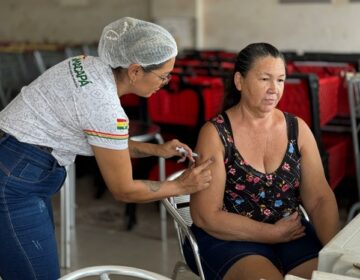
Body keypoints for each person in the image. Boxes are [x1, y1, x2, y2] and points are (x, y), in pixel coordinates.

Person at [0, 17, 213, 280]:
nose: (166, 82)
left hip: (11, 154)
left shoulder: (84, 64)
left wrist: (158, 151)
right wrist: (182, 187)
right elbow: (124, 189)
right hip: (16, 181)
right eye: (163, 75)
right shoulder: (105, 108)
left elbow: (109, 145)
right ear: (135, 71)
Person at [183, 43, 339, 280]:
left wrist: (335, 253)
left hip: (290, 232)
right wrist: (271, 234)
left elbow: (319, 198)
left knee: (332, 276)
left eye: (280, 80)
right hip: (228, 238)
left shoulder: (297, 129)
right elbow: (206, 215)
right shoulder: (216, 133)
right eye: (265, 79)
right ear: (239, 81)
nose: (274, 89)